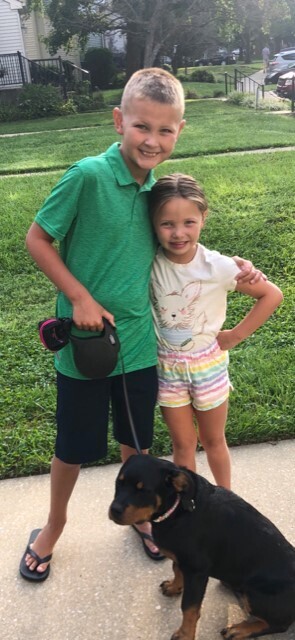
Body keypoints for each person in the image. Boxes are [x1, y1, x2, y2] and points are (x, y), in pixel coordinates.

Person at [20, 68, 263, 581]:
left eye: (165, 130)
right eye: (141, 127)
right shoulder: (87, 176)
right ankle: (53, 526)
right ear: (118, 121)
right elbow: (37, 240)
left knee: (137, 444)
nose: (152, 140)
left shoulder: (156, 193)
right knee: (73, 447)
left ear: (179, 131)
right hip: (86, 346)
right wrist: (79, 296)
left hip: (141, 347)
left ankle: (141, 519)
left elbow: (181, 242)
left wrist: (234, 266)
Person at [149, 173, 283, 489]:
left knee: (213, 440)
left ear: (203, 219)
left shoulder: (217, 267)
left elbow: (271, 295)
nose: (178, 233)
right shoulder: (149, 263)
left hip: (207, 367)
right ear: (153, 224)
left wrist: (235, 335)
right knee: (182, 445)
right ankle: (188, 505)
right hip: (167, 368)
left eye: (189, 223)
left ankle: (226, 500)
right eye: (167, 223)